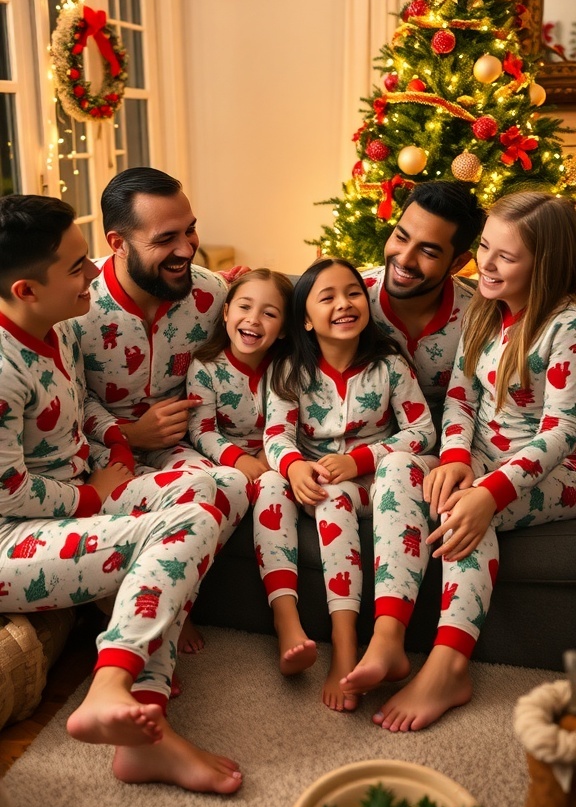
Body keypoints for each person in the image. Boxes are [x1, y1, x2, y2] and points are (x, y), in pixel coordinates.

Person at [0, 194, 242, 794]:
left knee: (216, 489)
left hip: (84, 493)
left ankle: (138, 714)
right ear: (27, 289)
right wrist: (90, 497)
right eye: (77, 267)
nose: (93, 277)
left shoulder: (54, 329)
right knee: (183, 527)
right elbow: (5, 490)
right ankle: (117, 689)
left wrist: (121, 452)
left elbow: (82, 412)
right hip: (16, 534)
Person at [342, 191, 576, 731]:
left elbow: (563, 429)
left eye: (505, 257)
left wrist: (488, 492)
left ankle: (450, 666)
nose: (484, 264)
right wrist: (453, 457)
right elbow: (462, 396)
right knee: (400, 468)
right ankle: (389, 637)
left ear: (545, 264)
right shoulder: (485, 313)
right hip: (482, 453)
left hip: (554, 471)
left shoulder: (564, 326)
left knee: (465, 513)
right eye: (484, 249)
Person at [72, 167, 250, 651]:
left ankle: (165, 605)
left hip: (181, 448)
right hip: (102, 456)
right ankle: (146, 619)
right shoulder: (77, 303)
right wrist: (127, 432)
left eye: (190, 229)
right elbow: (65, 394)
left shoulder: (212, 294)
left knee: (232, 484)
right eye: (166, 238)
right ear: (119, 243)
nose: (187, 248)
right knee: (196, 489)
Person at [261, 257, 435, 711]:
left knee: (341, 489)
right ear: (305, 317)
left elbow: (421, 432)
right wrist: (295, 466)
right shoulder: (288, 369)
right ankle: (339, 643)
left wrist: (359, 459)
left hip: (379, 481)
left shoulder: (390, 364)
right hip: (318, 486)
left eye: (353, 293)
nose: (344, 304)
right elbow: (276, 435)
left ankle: (355, 647)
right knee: (274, 487)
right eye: (328, 297)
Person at [364, 181, 486, 431]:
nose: (405, 259)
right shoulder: (353, 301)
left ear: (457, 263)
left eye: (428, 252)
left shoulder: (479, 318)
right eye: (400, 237)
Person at [187, 268, 294, 481]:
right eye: (244, 307)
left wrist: (267, 458)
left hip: (277, 458)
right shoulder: (204, 368)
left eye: (269, 314)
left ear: (283, 329)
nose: (253, 319)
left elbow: (284, 426)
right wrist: (240, 460)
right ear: (226, 312)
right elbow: (202, 431)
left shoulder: (286, 367)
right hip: (225, 461)